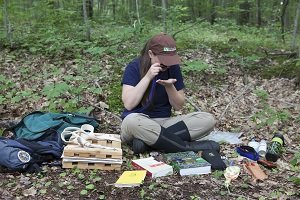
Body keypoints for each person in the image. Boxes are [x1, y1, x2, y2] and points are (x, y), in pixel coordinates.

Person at [120, 33, 219, 154]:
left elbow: (178, 106)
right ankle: (185, 147)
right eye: (163, 60)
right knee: (132, 121)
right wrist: (148, 77)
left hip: (164, 124)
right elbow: (129, 104)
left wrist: (169, 87)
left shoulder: (173, 68)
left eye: (169, 60)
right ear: (151, 54)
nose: (166, 64)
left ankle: (148, 143)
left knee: (207, 119)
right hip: (138, 123)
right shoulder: (134, 66)